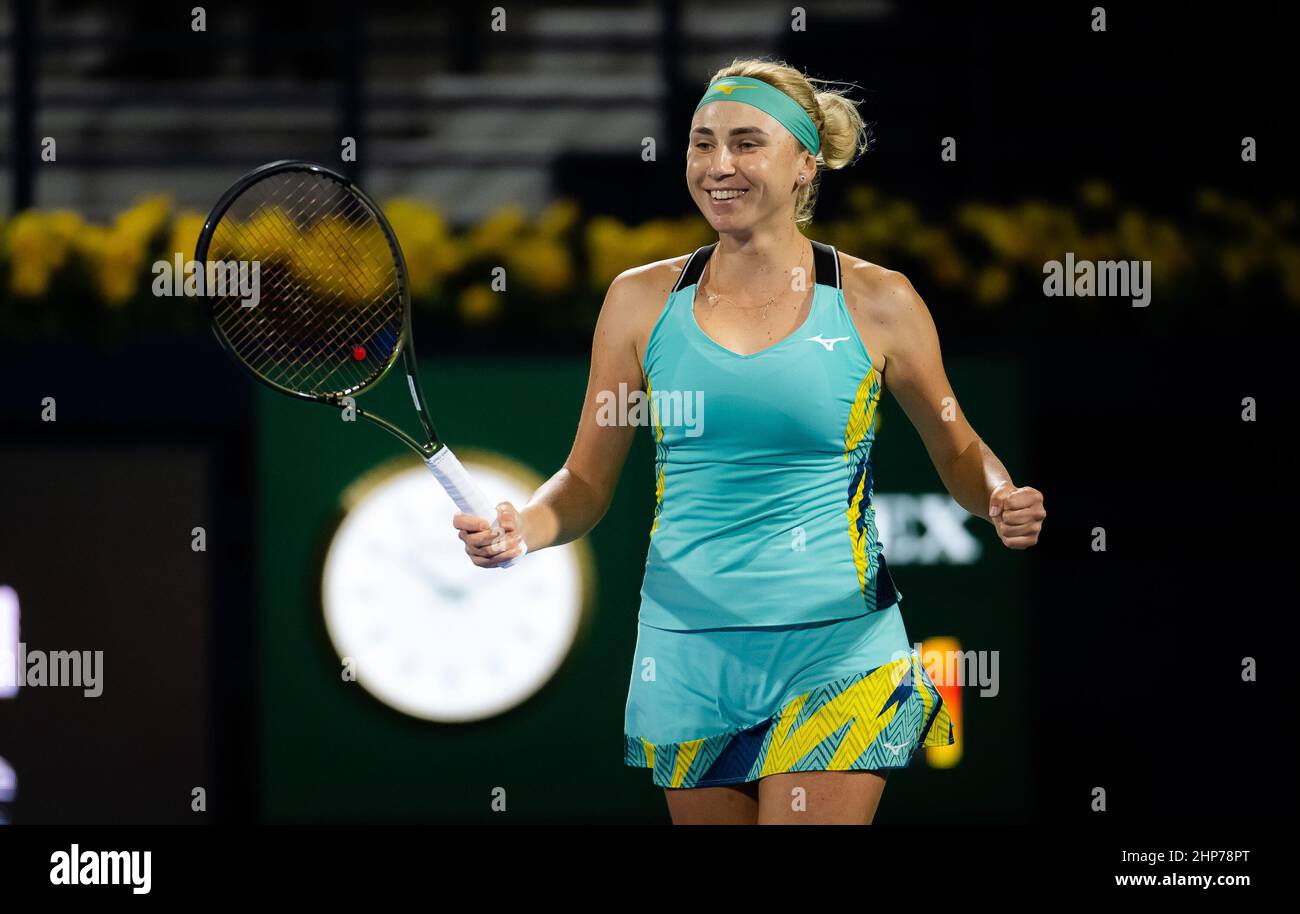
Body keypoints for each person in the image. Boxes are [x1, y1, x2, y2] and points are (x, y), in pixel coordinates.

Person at [453, 59, 1045, 825]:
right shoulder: (638, 302)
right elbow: (585, 482)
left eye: (745, 143)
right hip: (688, 654)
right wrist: (522, 527)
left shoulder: (879, 300)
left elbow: (959, 448)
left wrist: (997, 495)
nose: (718, 165)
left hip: (840, 649)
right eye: (702, 144)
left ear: (805, 163)